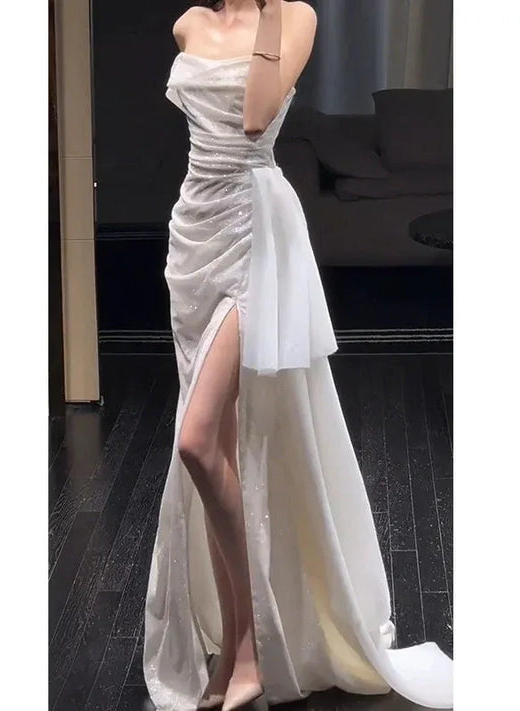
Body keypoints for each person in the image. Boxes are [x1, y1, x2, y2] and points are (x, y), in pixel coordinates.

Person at [143, 2, 454, 710]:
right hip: (192, 234)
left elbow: (255, 118)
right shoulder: (189, 22)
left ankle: (248, 650)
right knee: (215, 451)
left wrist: (269, 13)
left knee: (195, 442)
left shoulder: (295, 19)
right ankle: (238, 648)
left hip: (254, 230)